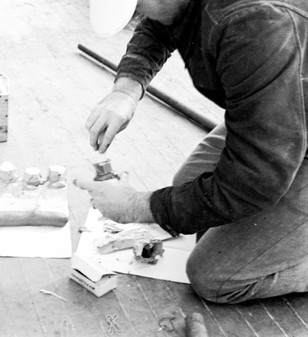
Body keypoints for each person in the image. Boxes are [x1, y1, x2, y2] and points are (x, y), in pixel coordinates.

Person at [74, 0, 308, 304]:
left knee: (216, 277)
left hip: (288, 133)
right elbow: (159, 22)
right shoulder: (175, 4)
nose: (140, 17)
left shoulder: (255, 26)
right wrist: (126, 90)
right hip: (282, 114)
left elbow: (253, 182)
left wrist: (138, 206)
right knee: (191, 185)